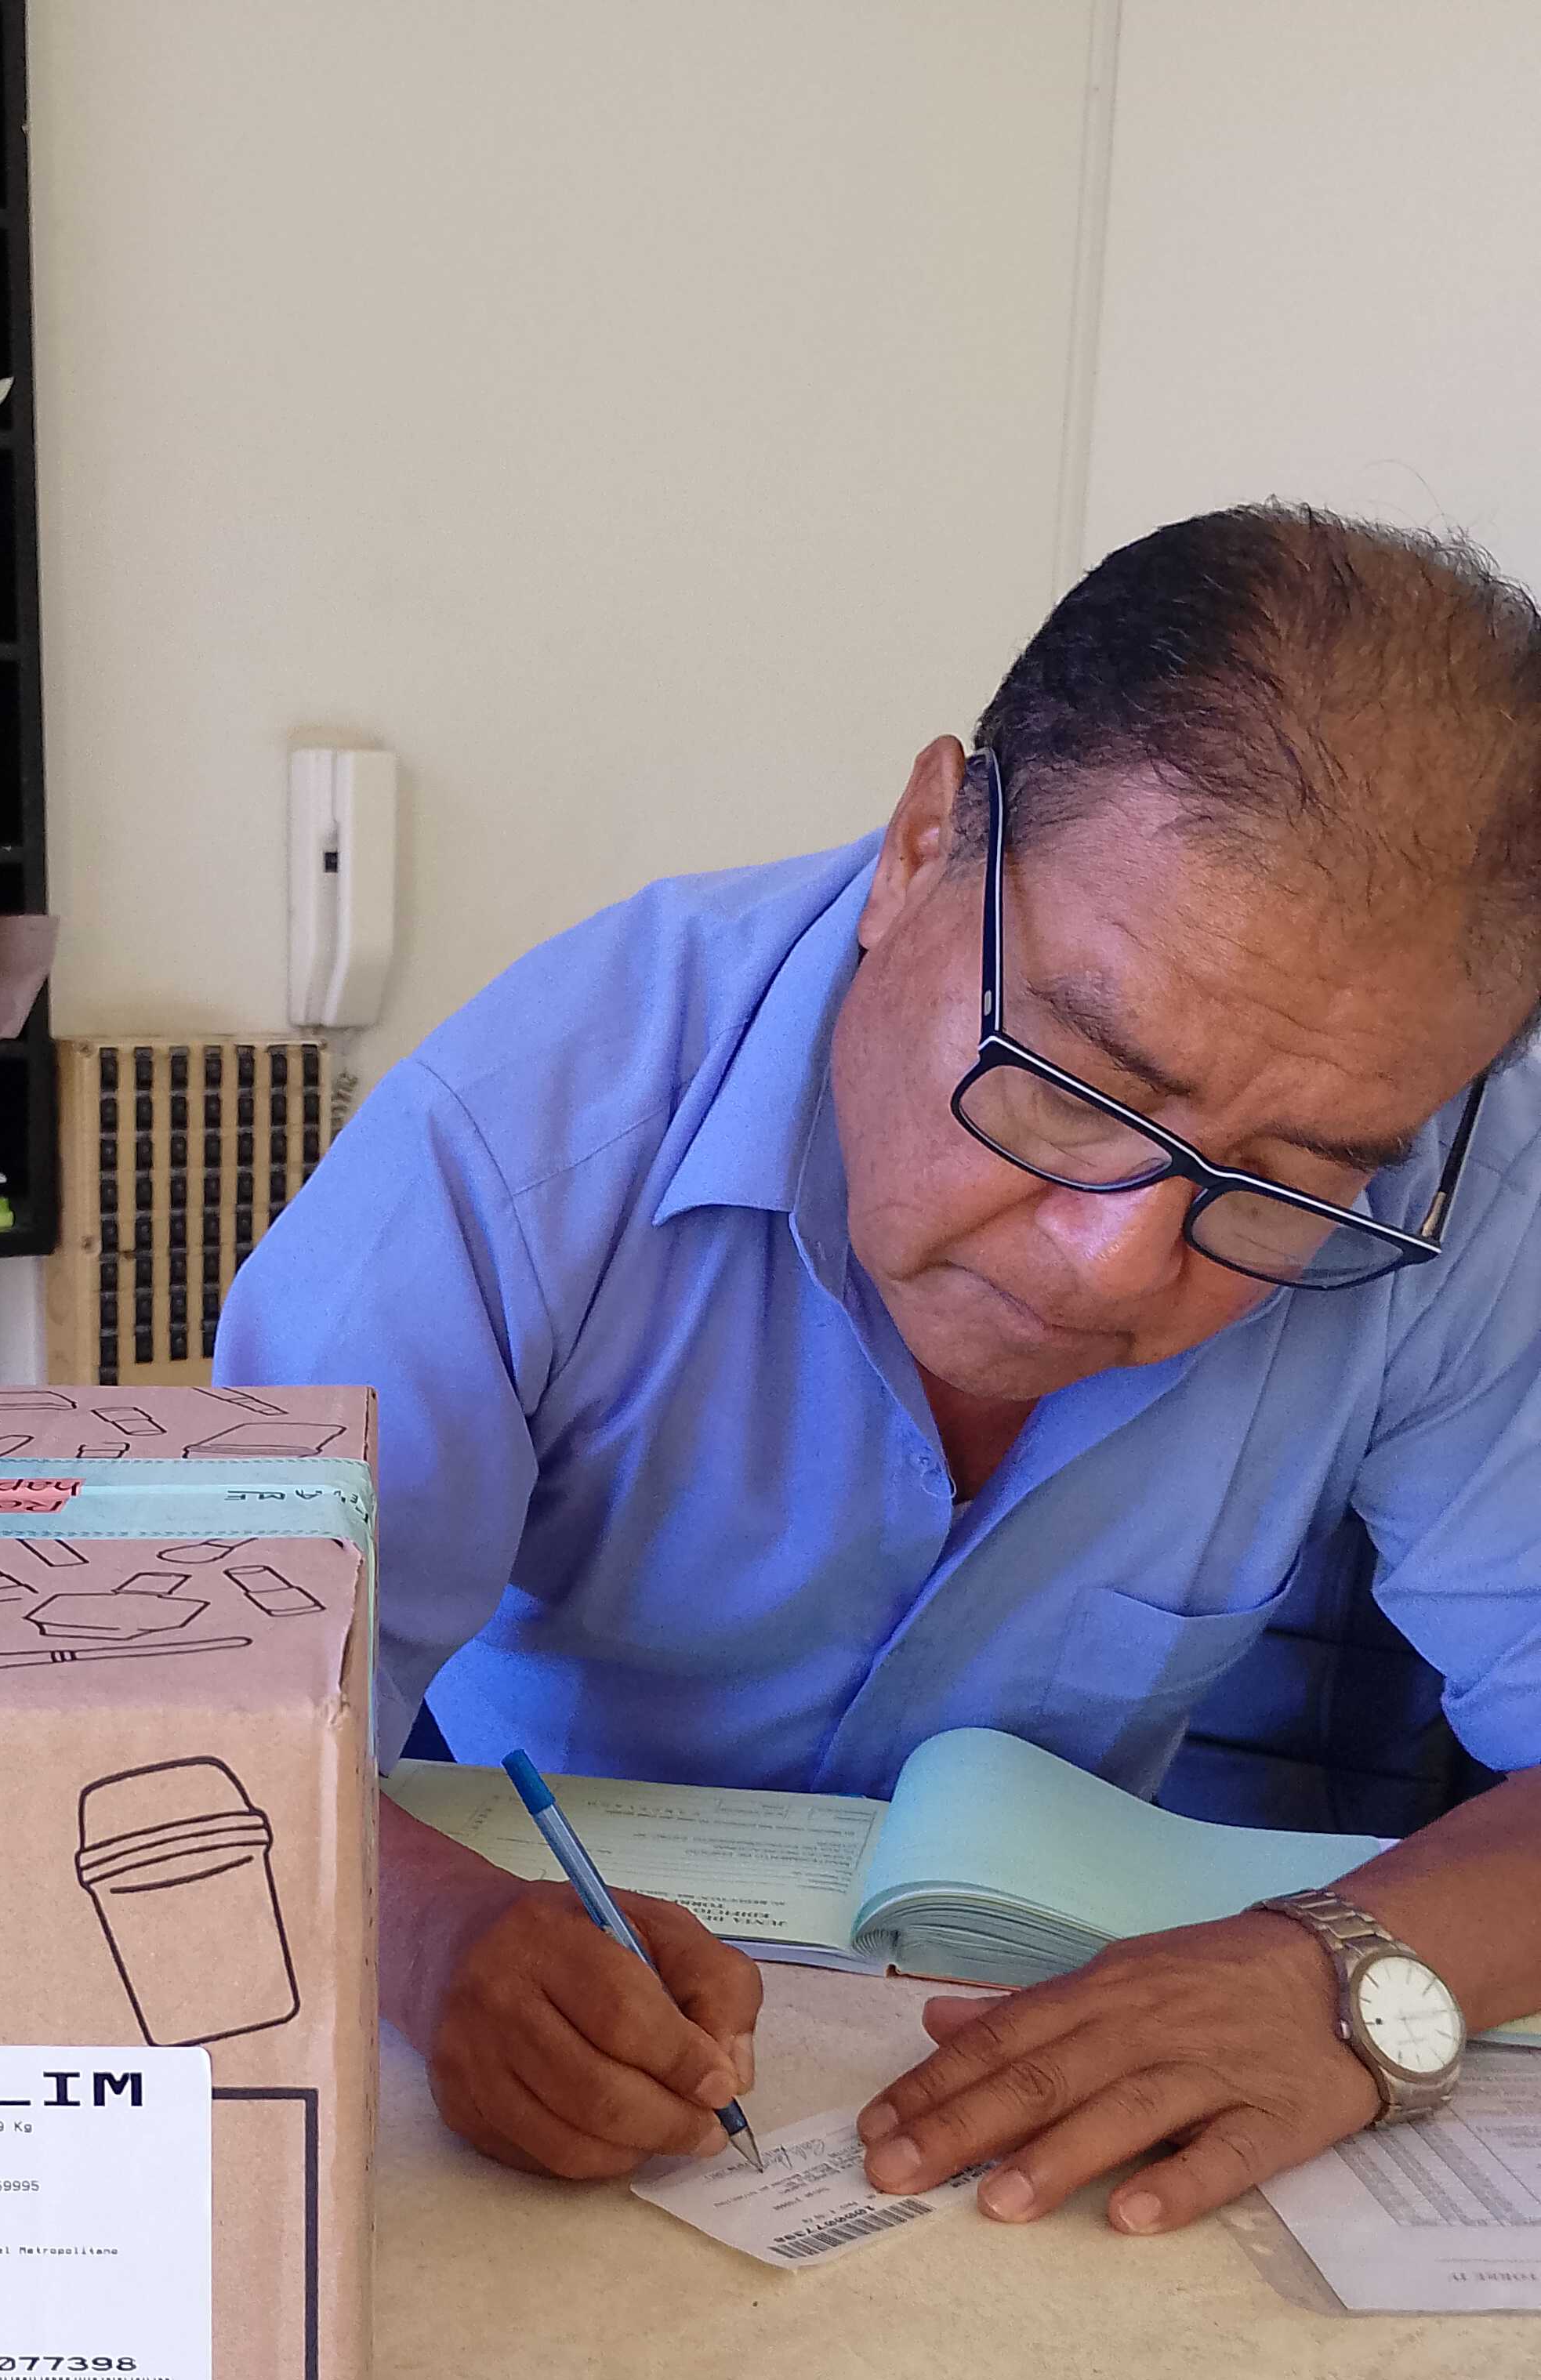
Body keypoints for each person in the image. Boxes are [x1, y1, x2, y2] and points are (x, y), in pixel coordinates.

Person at [216, 507, 1541, 2234]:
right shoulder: (524, 1134)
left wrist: (1347, 1978)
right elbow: (198, 1723)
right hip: (568, 1924)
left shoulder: (1444, 1181)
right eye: (1072, 1081)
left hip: (1057, 1989)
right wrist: (431, 1935)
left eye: (1285, 1183)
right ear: (924, 847)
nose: (1115, 1266)